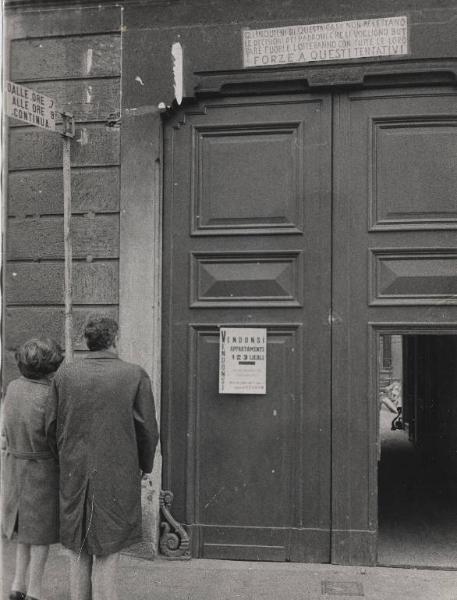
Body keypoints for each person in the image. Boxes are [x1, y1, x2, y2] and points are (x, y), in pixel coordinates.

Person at [45, 315, 159, 600]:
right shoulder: (134, 375)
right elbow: (147, 430)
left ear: (86, 342)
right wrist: (145, 466)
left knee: (77, 549)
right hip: (117, 473)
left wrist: (65, 462)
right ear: (115, 340)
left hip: (75, 473)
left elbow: (50, 427)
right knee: (108, 550)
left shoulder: (64, 375)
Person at [1, 338, 64, 600]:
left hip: (15, 465)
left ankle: (17, 585)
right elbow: (55, 436)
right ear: (50, 366)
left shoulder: (13, 387)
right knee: (40, 536)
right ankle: (35, 591)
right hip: (42, 468)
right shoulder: (50, 394)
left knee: (22, 529)